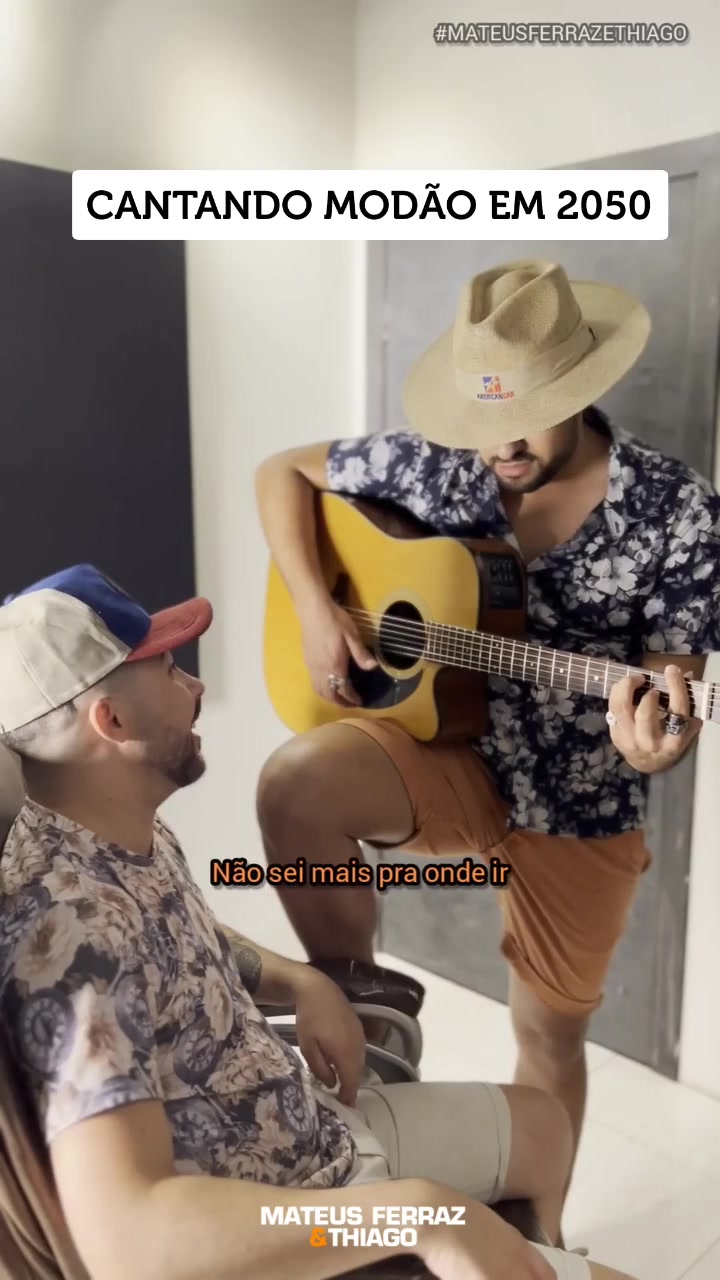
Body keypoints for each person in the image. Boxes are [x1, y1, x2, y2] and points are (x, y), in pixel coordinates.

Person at [0, 565, 635, 1280]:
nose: (197, 686)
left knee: (544, 1127)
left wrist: (299, 981)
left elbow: (179, 941)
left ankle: (542, 1250)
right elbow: (131, 1243)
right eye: (171, 671)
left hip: (308, 1129)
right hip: (287, 1212)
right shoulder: (72, 935)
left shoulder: (111, 829)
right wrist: (421, 1216)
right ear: (111, 721)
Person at [254, 258, 720, 1215]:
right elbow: (280, 472)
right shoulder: (442, 461)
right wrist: (313, 604)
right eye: (484, 415)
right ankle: (365, 1007)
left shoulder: (678, 510)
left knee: (548, 1037)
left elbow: (673, 686)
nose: (501, 443)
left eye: (529, 415)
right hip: (446, 753)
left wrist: (657, 744)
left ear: (582, 389)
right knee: (294, 785)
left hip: (581, 799)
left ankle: (542, 1232)